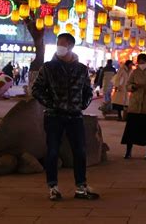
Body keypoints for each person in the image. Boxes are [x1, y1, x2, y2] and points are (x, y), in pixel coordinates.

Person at [32, 33, 98, 201]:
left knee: (80, 151)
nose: (59, 46)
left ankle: (81, 187)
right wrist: (51, 103)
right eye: (58, 43)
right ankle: (53, 187)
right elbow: (37, 89)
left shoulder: (81, 69)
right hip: (54, 116)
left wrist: (82, 104)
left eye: (63, 43)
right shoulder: (48, 68)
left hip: (75, 116)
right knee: (52, 151)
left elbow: (88, 91)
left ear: (70, 46)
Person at [121, 53, 146, 160]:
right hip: (135, 104)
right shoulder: (135, 72)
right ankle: (128, 151)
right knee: (131, 130)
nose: (141, 64)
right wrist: (133, 87)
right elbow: (128, 85)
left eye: (143, 62)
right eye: (139, 62)